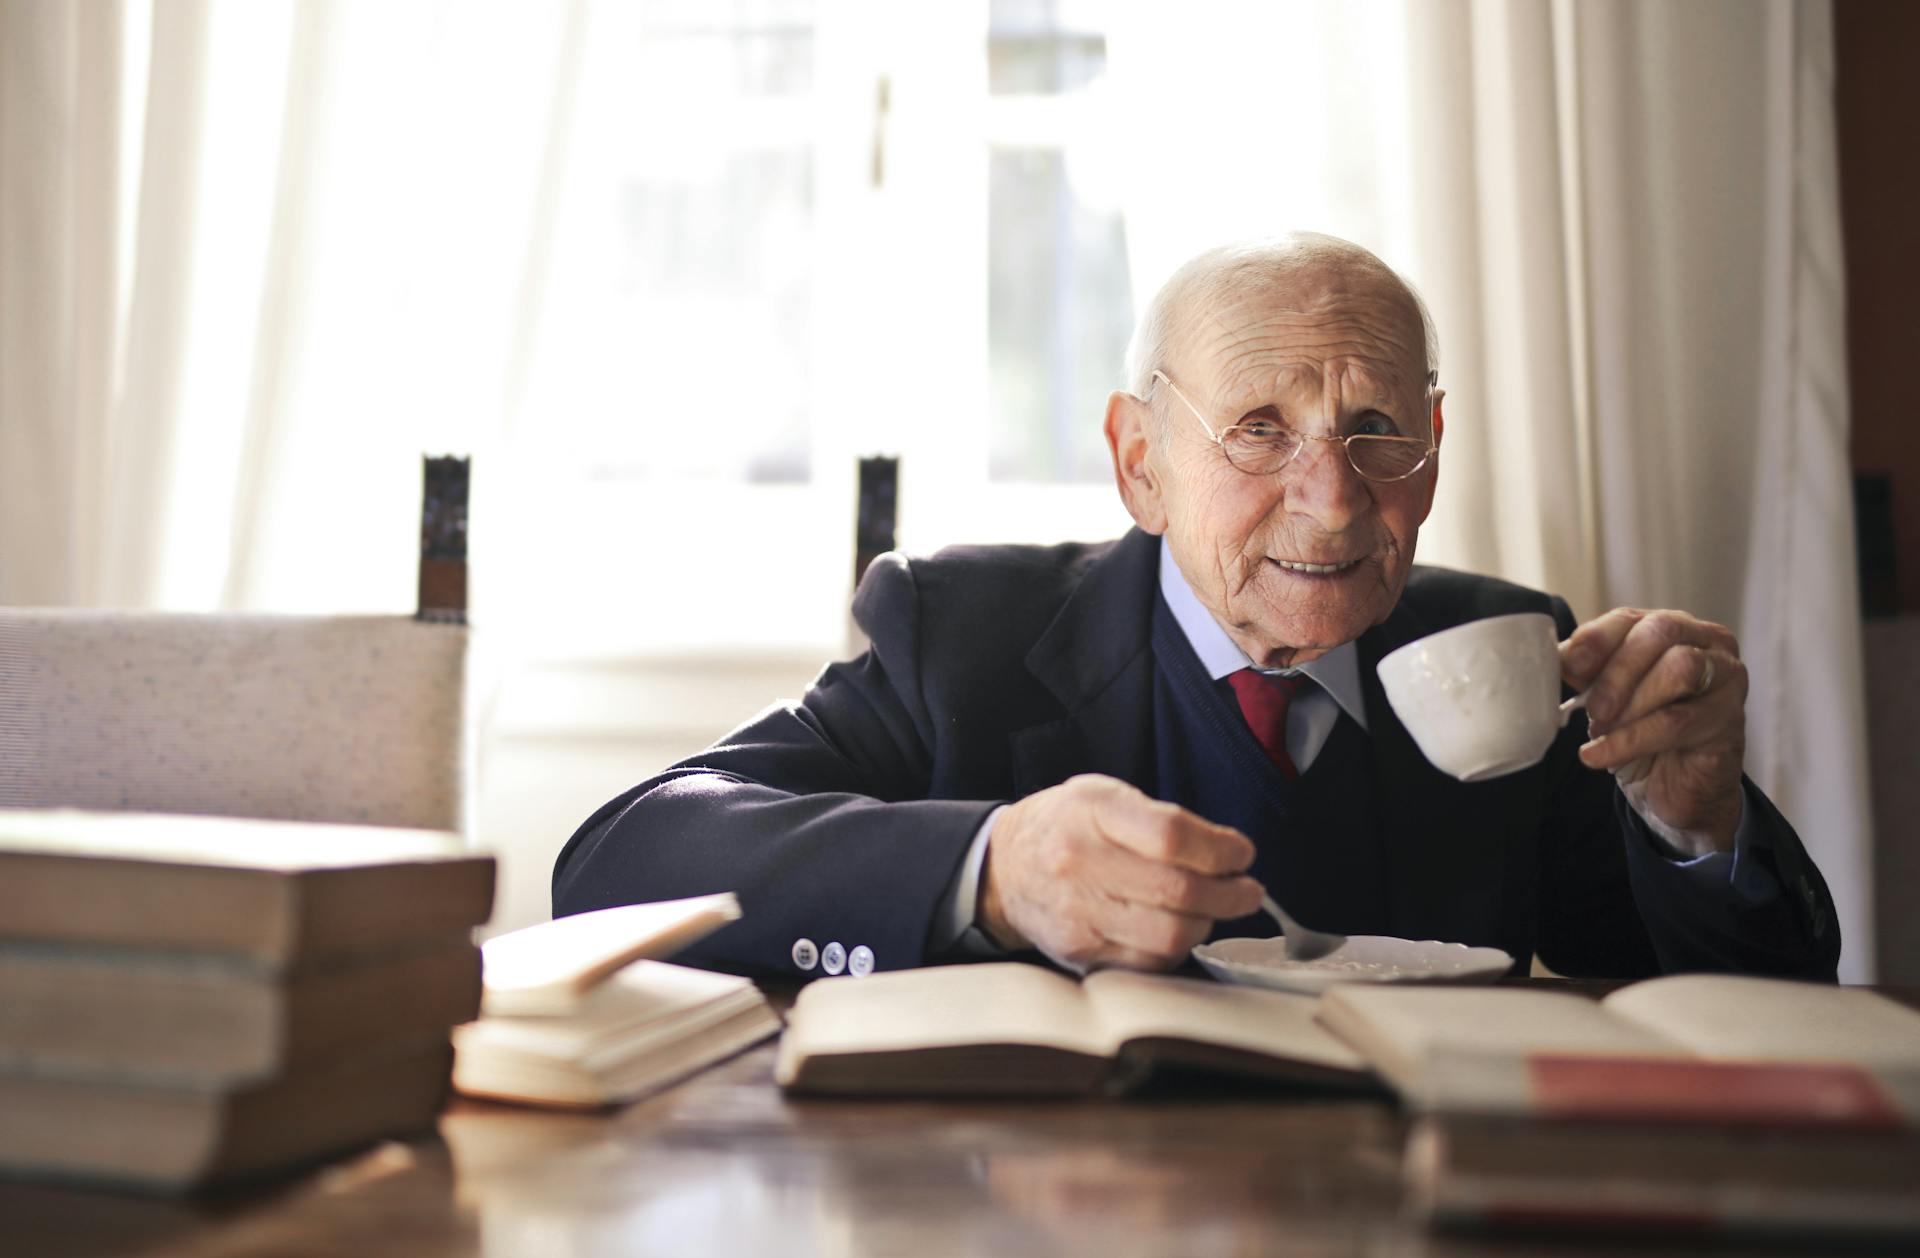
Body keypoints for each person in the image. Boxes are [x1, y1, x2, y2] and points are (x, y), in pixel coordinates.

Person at [552, 234, 1839, 983]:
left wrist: (1694, 828)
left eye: (1377, 428)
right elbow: (620, 859)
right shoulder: (962, 638)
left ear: (1436, 449)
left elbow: (1735, 1004)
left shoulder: (1503, 649)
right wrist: (983, 870)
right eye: (1260, 431)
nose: (1332, 503)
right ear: (1139, 463)